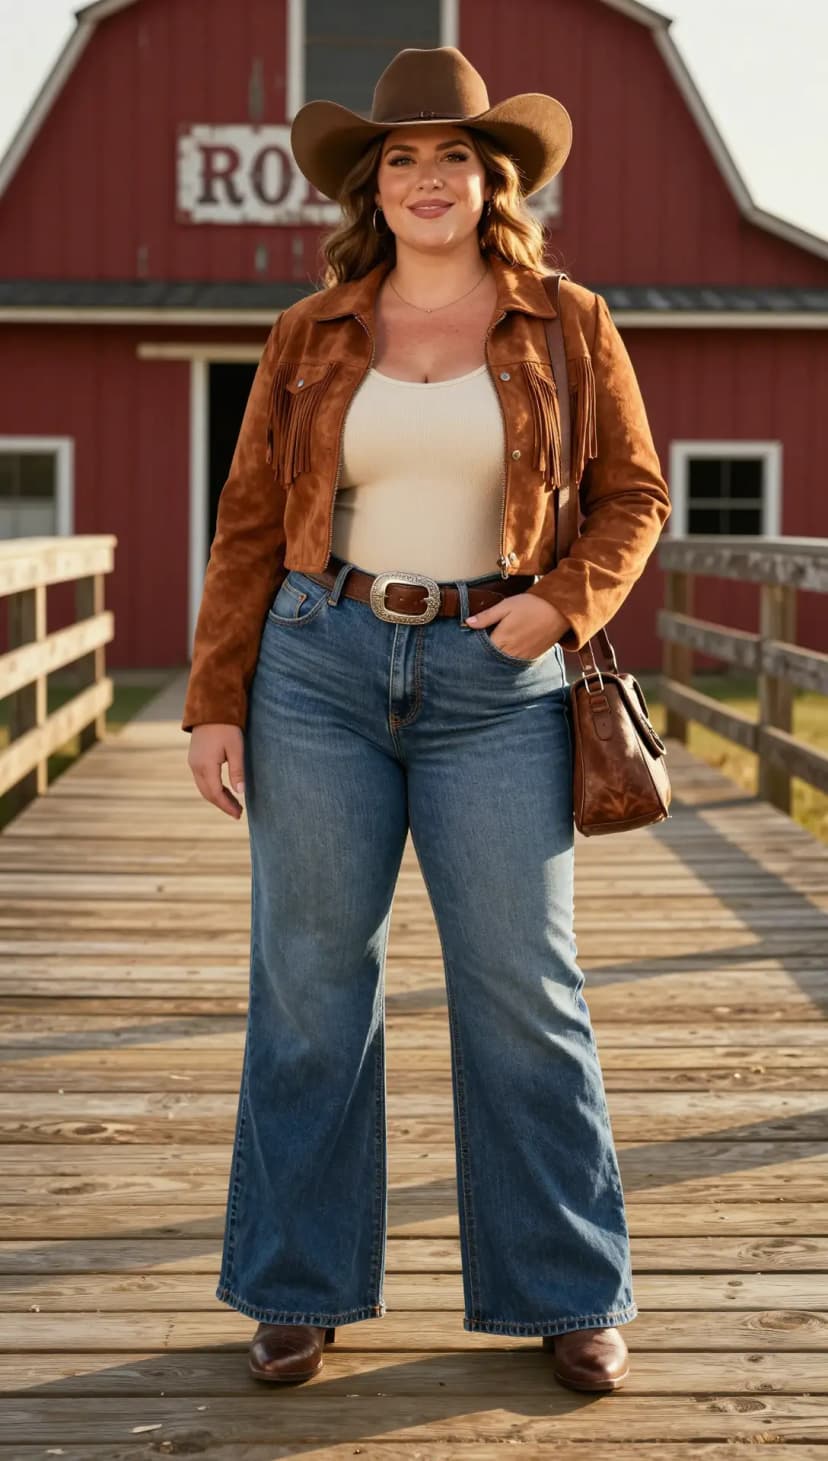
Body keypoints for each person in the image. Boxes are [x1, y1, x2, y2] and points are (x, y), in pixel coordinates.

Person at [182, 45, 670, 1391]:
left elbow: (635, 495)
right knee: (310, 986)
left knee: (525, 988)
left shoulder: (569, 322)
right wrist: (215, 701)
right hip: (317, 665)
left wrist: (560, 602)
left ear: (495, 180)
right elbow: (247, 526)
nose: (429, 177)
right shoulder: (309, 332)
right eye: (402, 157)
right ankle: (297, 1284)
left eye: (455, 154)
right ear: (373, 187)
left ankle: (568, 1287)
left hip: (497, 681)